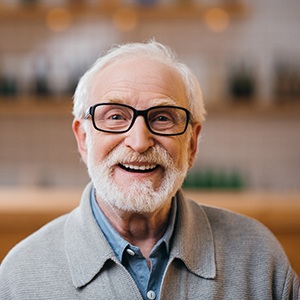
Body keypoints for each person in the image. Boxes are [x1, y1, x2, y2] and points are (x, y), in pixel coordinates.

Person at [0, 41, 299, 300]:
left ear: (191, 143)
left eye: (162, 118)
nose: (140, 142)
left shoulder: (259, 259)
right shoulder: (21, 276)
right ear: (83, 139)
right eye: (115, 116)